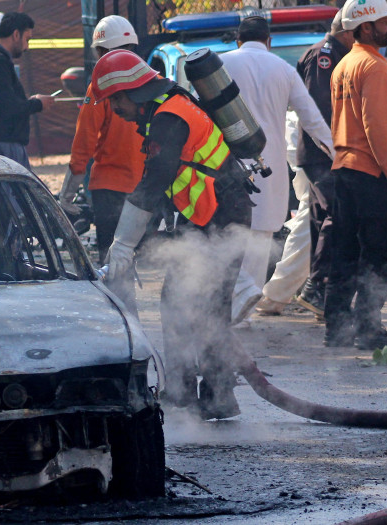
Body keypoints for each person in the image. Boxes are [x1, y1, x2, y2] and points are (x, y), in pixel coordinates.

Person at [93, 50, 255, 420]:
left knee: (202, 306)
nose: (114, 109)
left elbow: (153, 183)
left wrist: (123, 244)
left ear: (130, 91)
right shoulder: (170, 105)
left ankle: (208, 396)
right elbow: (169, 185)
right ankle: (195, 393)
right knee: (185, 302)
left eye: (114, 100)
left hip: (220, 216)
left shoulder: (168, 118)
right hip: (209, 214)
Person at [220, 16, 334, 325]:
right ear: (269, 41)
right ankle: (241, 314)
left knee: (226, 240)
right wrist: (337, 154)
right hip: (269, 171)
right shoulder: (284, 70)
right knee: (258, 242)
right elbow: (312, 120)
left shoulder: (220, 65)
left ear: (238, 41)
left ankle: (223, 313)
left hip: (224, 168)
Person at [325, 0, 387, 351]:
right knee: (379, 254)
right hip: (368, 172)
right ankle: (367, 328)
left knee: (344, 252)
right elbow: (377, 126)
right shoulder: (374, 66)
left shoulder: (344, 65)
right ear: (365, 27)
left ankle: (337, 328)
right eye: (384, 22)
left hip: (344, 169)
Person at [257, 12, 353, 317]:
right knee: (329, 218)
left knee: (316, 220)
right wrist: (335, 152)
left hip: (324, 151)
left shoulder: (336, 54)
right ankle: (311, 287)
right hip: (320, 152)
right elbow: (318, 111)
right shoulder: (323, 56)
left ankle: (306, 290)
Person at [61, 15, 144, 263]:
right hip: (147, 187)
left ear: (100, 50)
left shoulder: (100, 85)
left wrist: (67, 192)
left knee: (112, 262)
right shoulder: (153, 81)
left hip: (110, 189)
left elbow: (85, 140)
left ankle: (118, 302)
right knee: (150, 257)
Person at [0, 12, 54, 172]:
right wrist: (37, 104)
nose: (27, 47)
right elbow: (6, 107)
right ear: (16, 34)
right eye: (27, 39)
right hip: (5, 148)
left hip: (7, 146)